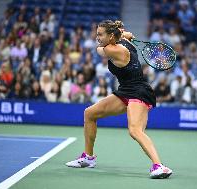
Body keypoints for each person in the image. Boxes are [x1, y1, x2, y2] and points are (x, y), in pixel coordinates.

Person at [65, 20, 172, 179]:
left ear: (110, 36)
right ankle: (88, 157)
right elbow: (120, 37)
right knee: (90, 114)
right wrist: (123, 35)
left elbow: (99, 49)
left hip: (139, 91)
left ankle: (159, 166)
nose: (98, 37)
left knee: (135, 130)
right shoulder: (123, 40)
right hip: (125, 91)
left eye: (101, 34)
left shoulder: (112, 49)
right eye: (97, 34)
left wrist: (122, 35)